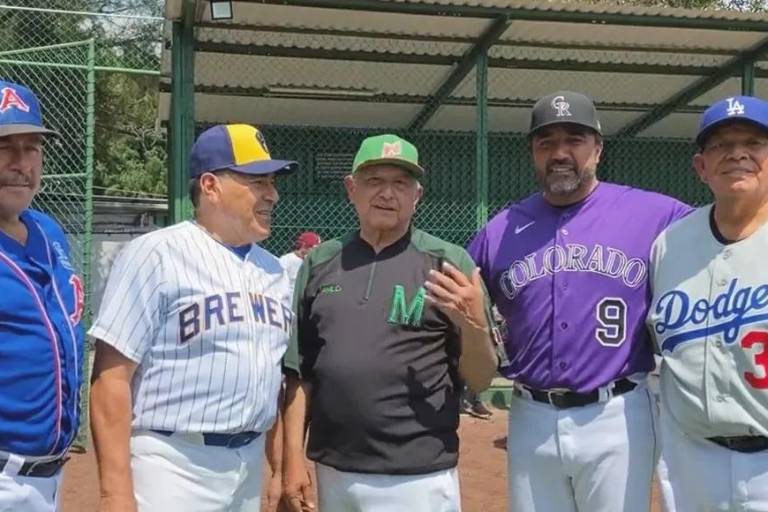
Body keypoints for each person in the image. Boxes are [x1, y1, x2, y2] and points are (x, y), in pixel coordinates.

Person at [467, 90, 692, 512]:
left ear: (598, 149)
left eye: (574, 139)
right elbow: (461, 295)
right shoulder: (499, 231)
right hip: (530, 413)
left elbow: (724, 231)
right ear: (533, 152)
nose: (560, 152)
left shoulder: (655, 214)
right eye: (546, 142)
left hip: (618, 413)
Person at [282, 134, 499, 512]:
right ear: (352, 189)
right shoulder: (319, 263)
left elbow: (481, 379)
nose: (387, 193)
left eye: (400, 183)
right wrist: (291, 462)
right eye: (374, 181)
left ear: (417, 196)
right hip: (334, 467)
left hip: (417, 475)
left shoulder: (448, 264)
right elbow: (300, 374)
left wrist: (474, 324)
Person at [89, 124, 296, 512]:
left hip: (248, 462)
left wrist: (281, 468)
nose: (272, 194)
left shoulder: (274, 271)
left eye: (272, 182)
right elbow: (110, 379)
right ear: (210, 186)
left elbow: (275, 381)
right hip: (173, 460)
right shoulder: (156, 254)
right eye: (258, 181)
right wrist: (113, 494)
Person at [648, 95, 768, 511]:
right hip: (690, 459)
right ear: (701, 167)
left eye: (753, 142)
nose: (737, 153)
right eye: (720, 145)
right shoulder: (670, 244)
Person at [0, 80, 85, 512]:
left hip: (50, 476)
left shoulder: (48, 231)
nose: (21, 163)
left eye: (31, 147)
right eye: (4, 148)